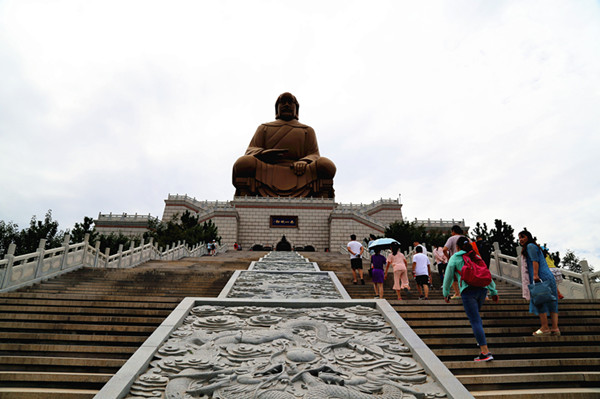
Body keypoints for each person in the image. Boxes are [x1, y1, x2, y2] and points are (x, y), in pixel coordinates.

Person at [232, 92, 337, 198]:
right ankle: (245, 197)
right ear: (277, 108)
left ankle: (321, 198)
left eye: (290, 102)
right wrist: (263, 154)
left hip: (301, 172)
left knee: (326, 165)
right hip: (267, 169)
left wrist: (304, 161)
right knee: (243, 163)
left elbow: (314, 154)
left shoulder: (307, 130)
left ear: (296, 109)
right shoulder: (264, 128)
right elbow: (250, 151)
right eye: (283, 102)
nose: (286, 105)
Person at [443, 236, 499, 362]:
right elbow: (486, 273)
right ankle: (481, 341)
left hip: (468, 291)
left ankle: (485, 352)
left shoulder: (455, 258)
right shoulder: (476, 256)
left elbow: (448, 277)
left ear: (457, 247)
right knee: (476, 318)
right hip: (482, 290)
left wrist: (446, 292)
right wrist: (493, 291)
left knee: (475, 321)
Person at [518, 230, 560, 336]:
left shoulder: (530, 246)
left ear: (528, 237)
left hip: (540, 276)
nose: (521, 240)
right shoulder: (536, 246)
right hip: (549, 277)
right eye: (519, 238)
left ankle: (545, 327)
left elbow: (535, 261)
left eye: (523, 237)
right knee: (552, 302)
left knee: (540, 300)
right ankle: (555, 328)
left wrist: (535, 275)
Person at [443, 225, 464, 298]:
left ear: (453, 231)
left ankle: (457, 293)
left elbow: (444, 249)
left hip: (455, 260)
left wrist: (449, 258)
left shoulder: (451, 238)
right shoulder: (466, 238)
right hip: (466, 260)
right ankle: (463, 292)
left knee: (453, 277)